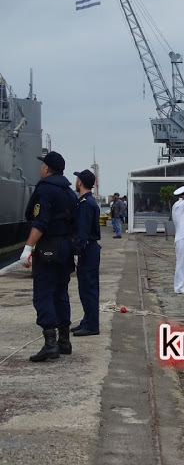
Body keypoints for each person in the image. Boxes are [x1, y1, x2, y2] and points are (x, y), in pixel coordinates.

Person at [20, 151, 77, 362]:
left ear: (46, 168)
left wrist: (28, 248)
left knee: (43, 294)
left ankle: (50, 344)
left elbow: (40, 221)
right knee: (61, 294)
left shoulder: (45, 190)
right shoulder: (70, 193)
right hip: (66, 249)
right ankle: (64, 342)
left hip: (47, 248)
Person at [71, 169, 101, 337]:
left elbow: (82, 231)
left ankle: (91, 325)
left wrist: (77, 252)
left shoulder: (84, 204)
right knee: (87, 288)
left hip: (87, 249)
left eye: (77, 179)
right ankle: (87, 320)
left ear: (80, 182)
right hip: (90, 248)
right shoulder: (89, 202)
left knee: (88, 289)